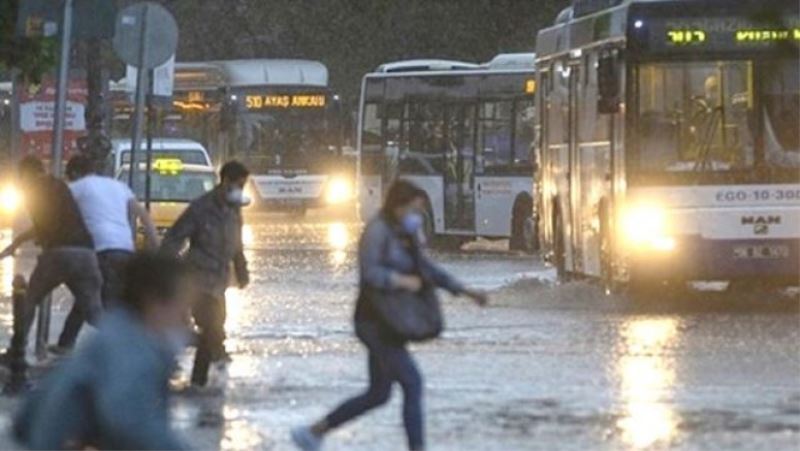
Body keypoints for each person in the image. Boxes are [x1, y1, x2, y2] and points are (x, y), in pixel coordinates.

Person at [291, 180, 488, 451]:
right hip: (373, 322)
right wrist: (401, 281)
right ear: (398, 206)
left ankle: (313, 432)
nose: (417, 216)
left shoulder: (406, 235)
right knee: (412, 382)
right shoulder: (377, 231)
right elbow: (370, 273)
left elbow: (426, 269)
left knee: (378, 394)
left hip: (392, 322)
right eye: (414, 210)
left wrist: (464, 291)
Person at [12, 253, 194, 450]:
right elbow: (127, 420)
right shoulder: (131, 350)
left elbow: (25, 420)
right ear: (154, 302)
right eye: (182, 306)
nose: (185, 319)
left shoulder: (112, 333)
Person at [0, 156, 102, 392]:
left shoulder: (33, 190)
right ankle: (125, 348)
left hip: (58, 253)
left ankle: (17, 352)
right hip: (86, 253)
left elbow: (43, 226)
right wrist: (16, 244)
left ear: (25, 175)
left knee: (28, 300)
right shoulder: (59, 185)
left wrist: (21, 244)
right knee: (94, 311)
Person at [54, 154, 160, 352]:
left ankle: (130, 344)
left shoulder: (76, 187)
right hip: (125, 250)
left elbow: (53, 216)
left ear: (74, 173)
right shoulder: (117, 186)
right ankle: (65, 344)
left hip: (99, 251)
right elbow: (143, 215)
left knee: (102, 303)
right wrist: (156, 245)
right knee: (88, 296)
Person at [160, 160, 250, 388]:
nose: (240, 189)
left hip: (219, 283)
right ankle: (197, 382)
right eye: (238, 184)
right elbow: (175, 237)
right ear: (226, 181)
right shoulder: (201, 208)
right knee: (211, 328)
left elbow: (237, 244)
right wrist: (167, 269)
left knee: (216, 331)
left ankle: (202, 371)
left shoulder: (234, 209)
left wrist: (241, 270)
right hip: (197, 281)